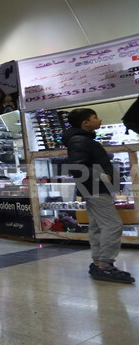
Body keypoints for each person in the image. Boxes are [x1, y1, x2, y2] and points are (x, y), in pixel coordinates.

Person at [63, 109, 133, 284]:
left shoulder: (82, 139)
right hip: (96, 188)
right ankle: (106, 266)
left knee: (97, 226)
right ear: (85, 123)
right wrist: (105, 177)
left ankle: (98, 262)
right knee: (113, 225)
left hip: (93, 189)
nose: (100, 120)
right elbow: (77, 167)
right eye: (95, 117)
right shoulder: (80, 140)